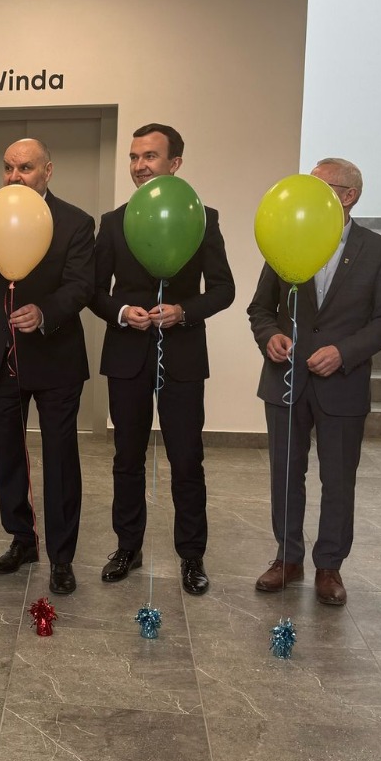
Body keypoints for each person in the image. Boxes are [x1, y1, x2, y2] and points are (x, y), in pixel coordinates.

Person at [247, 158, 381, 606]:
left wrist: (344, 352)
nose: (309, 194)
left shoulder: (378, 250)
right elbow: (260, 309)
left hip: (343, 384)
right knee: (285, 475)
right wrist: (270, 336)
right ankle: (287, 558)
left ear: (349, 196)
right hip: (285, 380)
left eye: (322, 186)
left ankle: (329, 566)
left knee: (338, 480)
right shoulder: (285, 238)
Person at [0, 138, 95, 595]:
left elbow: (81, 286)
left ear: (48, 170)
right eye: (8, 167)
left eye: (25, 168)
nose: (14, 176)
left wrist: (45, 313)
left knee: (60, 460)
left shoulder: (76, 222)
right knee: (7, 457)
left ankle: (62, 557)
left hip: (56, 360)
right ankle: (22, 540)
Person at [89, 124, 233, 596]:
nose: (139, 166)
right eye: (134, 157)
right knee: (126, 458)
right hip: (126, 355)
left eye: (150, 156)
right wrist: (121, 312)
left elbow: (224, 289)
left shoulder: (204, 218)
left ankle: (192, 556)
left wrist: (184, 312)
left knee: (187, 459)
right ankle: (127, 547)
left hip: (183, 356)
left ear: (175, 163)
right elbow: (94, 291)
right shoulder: (113, 222)